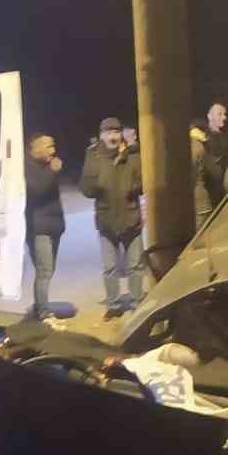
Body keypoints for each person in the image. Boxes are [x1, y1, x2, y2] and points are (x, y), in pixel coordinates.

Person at [81, 116, 144, 319]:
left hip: (131, 217)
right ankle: (114, 305)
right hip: (106, 220)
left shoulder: (132, 154)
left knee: (135, 266)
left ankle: (137, 303)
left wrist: (132, 184)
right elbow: (86, 190)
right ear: (101, 136)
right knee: (110, 268)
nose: (113, 137)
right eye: (108, 133)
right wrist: (95, 179)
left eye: (116, 132)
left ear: (121, 134)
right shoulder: (94, 156)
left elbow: (142, 184)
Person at [24, 131, 66, 321]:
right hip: (38, 228)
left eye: (53, 146)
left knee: (48, 270)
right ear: (36, 148)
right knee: (44, 270)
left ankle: (39, 306)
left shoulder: (47, 166)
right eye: (49, 146)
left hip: (54, 225)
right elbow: (36, 191)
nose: (53, 150)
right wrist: (52, 171)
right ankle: (43, 311)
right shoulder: (26, 167)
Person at [205, 101, 228, 175]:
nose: (224, 117)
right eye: (220, 114)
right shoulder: (202, 136)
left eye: (224, 114)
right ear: (209, 116)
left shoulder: (225, 137)